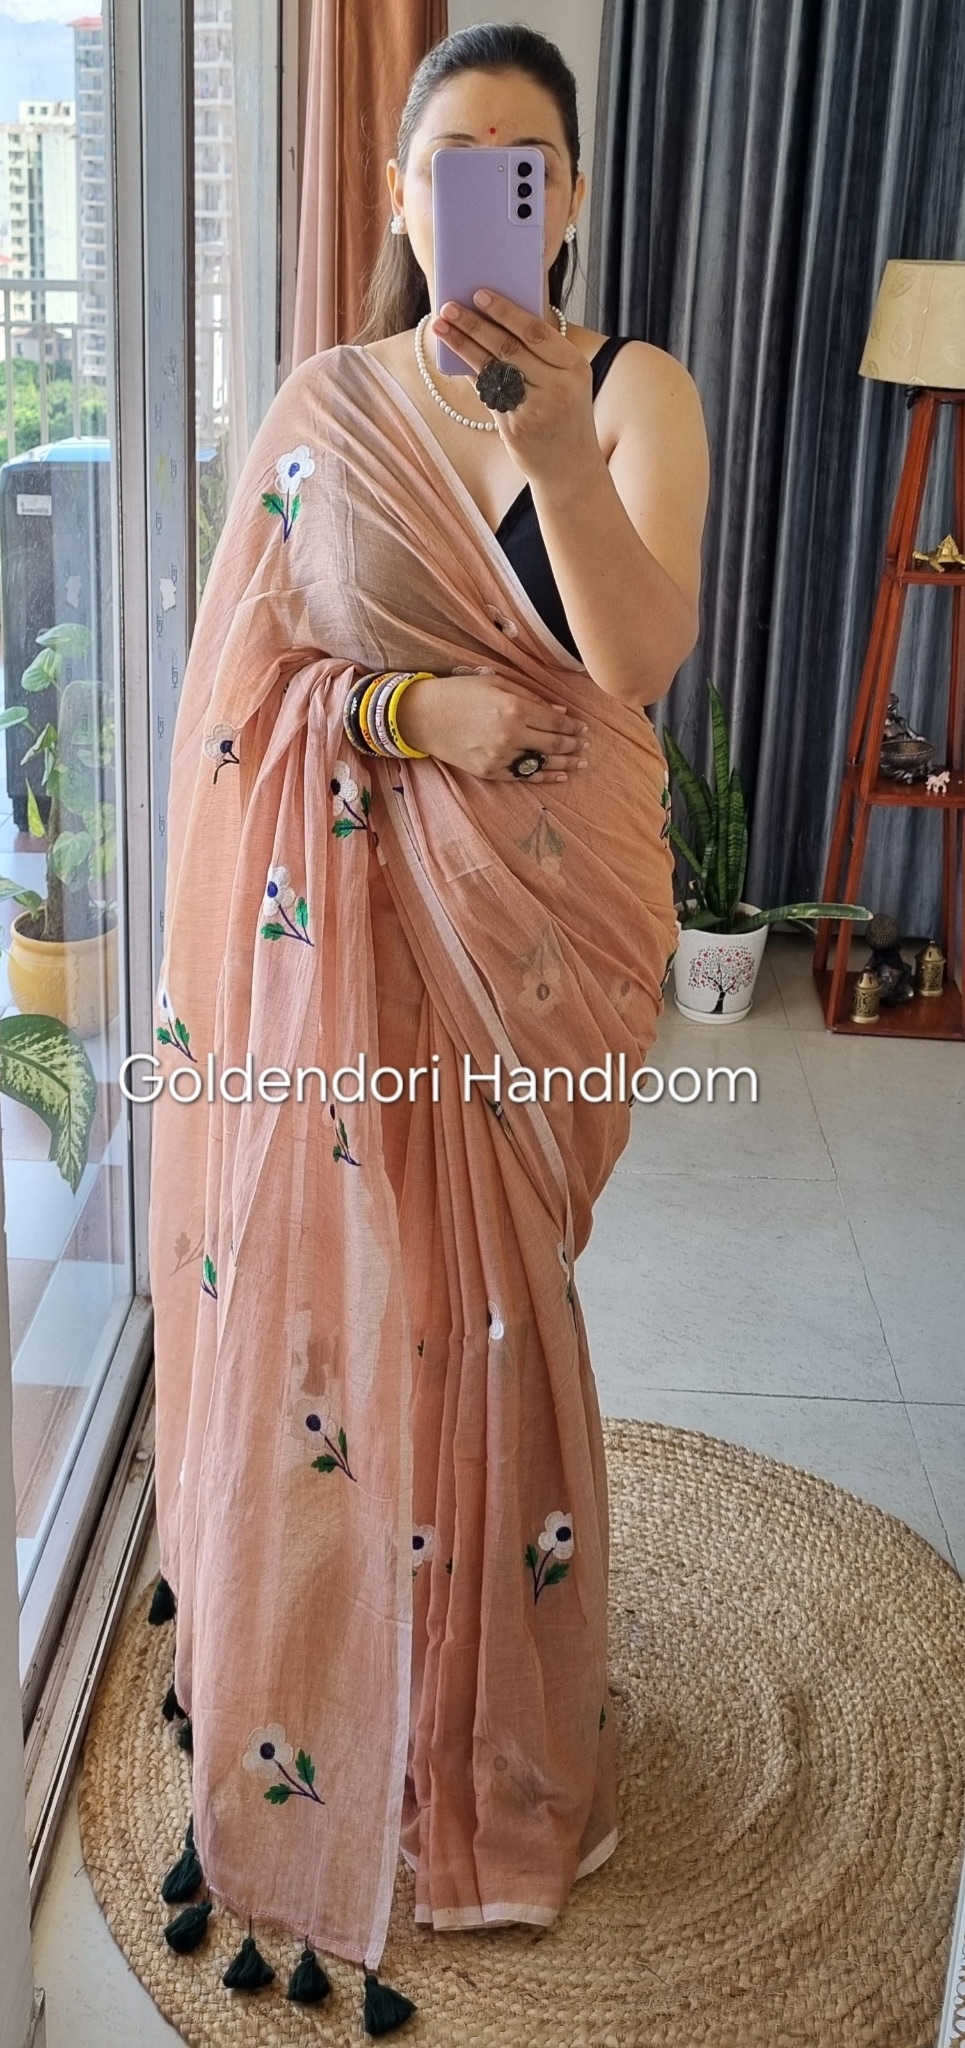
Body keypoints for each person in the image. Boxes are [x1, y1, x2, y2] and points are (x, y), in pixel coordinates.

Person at [146, 19, 709, 2026]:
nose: (485, 191)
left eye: (521, 165)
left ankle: (491, 1741)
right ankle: (341, 1674)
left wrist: (548, 440)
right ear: (397, 195)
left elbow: (633, 657)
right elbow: (247, 692)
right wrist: (411, 715)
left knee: (500, 1310)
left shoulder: (634, 388)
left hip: (548, 939)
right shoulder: (326, 405)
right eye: (451, 158)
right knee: (362, 1304)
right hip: (357, 930)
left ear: (567, 202)